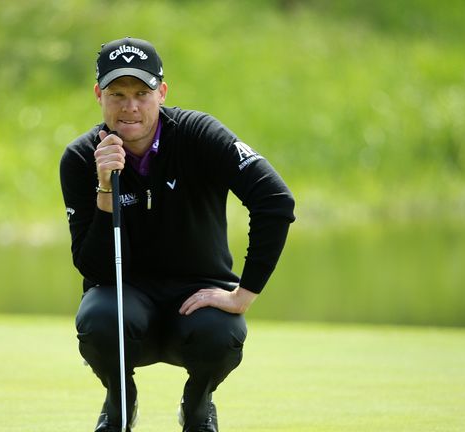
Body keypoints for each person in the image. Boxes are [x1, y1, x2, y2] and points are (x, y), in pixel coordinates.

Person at [59, 37, 295, 432]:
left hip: (197, 297)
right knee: (99, 318)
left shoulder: (199, 135)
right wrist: (104, 187)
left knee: (222, 331)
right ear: (99, 94)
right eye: (117, 93)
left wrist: (244, 293)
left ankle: (198, 403)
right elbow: (95, 268)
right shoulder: (83, 157)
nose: (130, 106)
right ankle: (120, 399)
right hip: (125, 298)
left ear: (162, 93)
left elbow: (275, 200)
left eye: (142, 93)